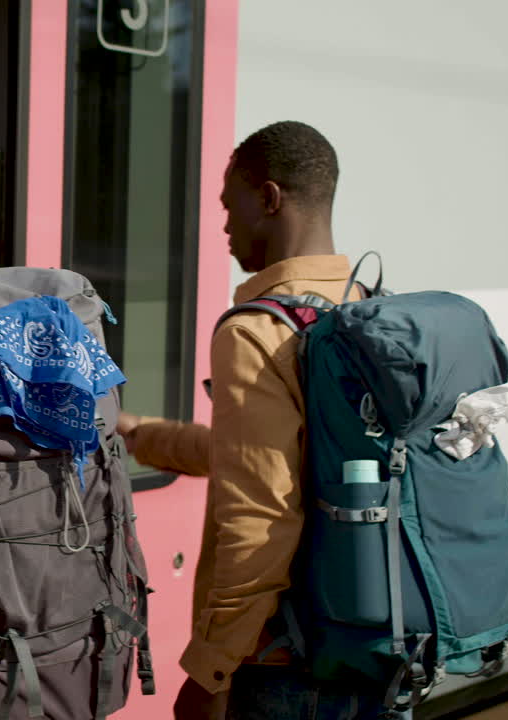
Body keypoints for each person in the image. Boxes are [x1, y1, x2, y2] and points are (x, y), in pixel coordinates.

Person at [118, 121, 405, 719]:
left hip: (287, 665)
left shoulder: (256, 329)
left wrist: (209, 669)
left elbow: (262, 516)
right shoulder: (367, 310)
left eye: (231, 207)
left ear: (269, 199)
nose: (224, 228)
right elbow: (284, 456)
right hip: (375, 638)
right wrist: (141, 434)